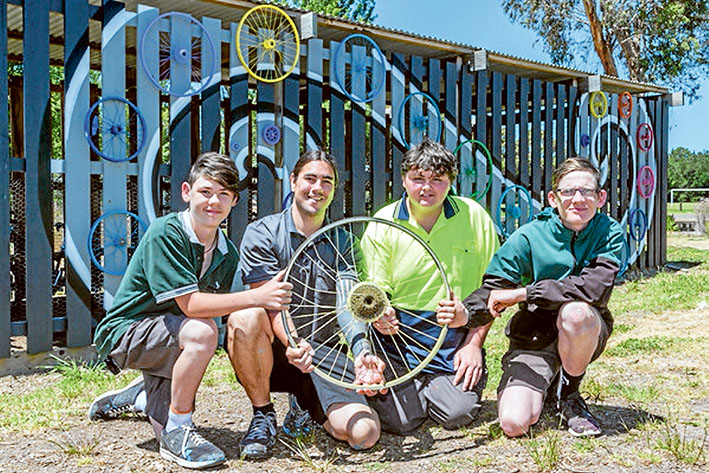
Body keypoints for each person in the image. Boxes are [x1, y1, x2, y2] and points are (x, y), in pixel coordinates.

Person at [89, 152, 293, 469]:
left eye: (224, 194)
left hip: (171, 336)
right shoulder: (166, 232)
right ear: (187, 192)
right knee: (202, 331)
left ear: (234, 201)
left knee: (198, 335)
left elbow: (206, 308)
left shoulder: (226, 253)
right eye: (206, 191)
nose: (214, 201)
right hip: (128, 333)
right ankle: (180, 428)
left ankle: (139, 398)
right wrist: (258, 297)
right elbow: (193, 305)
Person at [225, 150, 386, 460]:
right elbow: (270, 302)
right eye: (310, 178)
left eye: (327, 181)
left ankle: (305, 408)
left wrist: (361, 349)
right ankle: (263, 415)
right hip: (273, 351)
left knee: (365, 435)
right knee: (245, 317)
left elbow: (349, 301)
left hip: (321, 355)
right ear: (293, 181)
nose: (317, 188)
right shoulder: (262, 232)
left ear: (334, 189)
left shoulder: (343, 241)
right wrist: (294, 342)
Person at [463, 157, 624, 438]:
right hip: (533, 337)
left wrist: (526, 292)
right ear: (553, 198)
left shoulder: (609, 232)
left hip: (582, 330)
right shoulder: (528, 237)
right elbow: (494, 289)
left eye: (587, 191)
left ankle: (569, 395)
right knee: (514, 424)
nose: (578, 199)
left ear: (601, 198)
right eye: (568, 191)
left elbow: (593, 289)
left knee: (576, 312)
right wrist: (464, 314)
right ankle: (548, 382)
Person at [361, 138, 499, 434]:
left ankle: (433, 387)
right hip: (398, 341)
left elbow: (494, 289)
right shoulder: (383, 222)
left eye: (437, 179)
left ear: (451, 181)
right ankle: (416, 388)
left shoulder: (475, 217)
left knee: (456, 414)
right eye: (417, 178)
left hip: (454, 339)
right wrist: (380, 314)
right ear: (403, 180)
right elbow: (374, 293)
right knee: (399, 422)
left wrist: (474, 344)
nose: (427, 187)